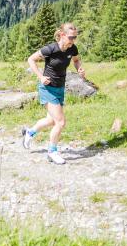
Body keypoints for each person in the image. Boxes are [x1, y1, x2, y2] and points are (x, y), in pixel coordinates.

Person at [21, 22, 86, 165]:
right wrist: (40, 76)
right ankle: (52, 152)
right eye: (70, 37)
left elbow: (76, 60)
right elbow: (31, 59)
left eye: (75, 37)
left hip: (60, 88)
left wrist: (79, 68)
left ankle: (29, 133)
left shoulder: (72, 48)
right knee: (60, 122)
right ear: (62, 35)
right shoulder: (51, 49)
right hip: (47, 88)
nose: (73, 40)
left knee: (51, 121)